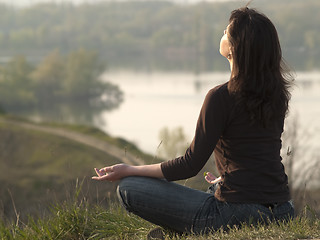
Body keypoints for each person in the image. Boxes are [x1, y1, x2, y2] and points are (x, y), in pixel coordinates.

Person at [92, 6, 294, 236]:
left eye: (225, 32)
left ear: (234, 48)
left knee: (129, 188)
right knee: (215, 186)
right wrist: (229, 177)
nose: (222, 34)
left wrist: (130, 169)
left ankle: (182, 232)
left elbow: (190, 164)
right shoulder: (277, 94)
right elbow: (261, 151)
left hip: (238, 213)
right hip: (283, 210)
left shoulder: (220, 97)